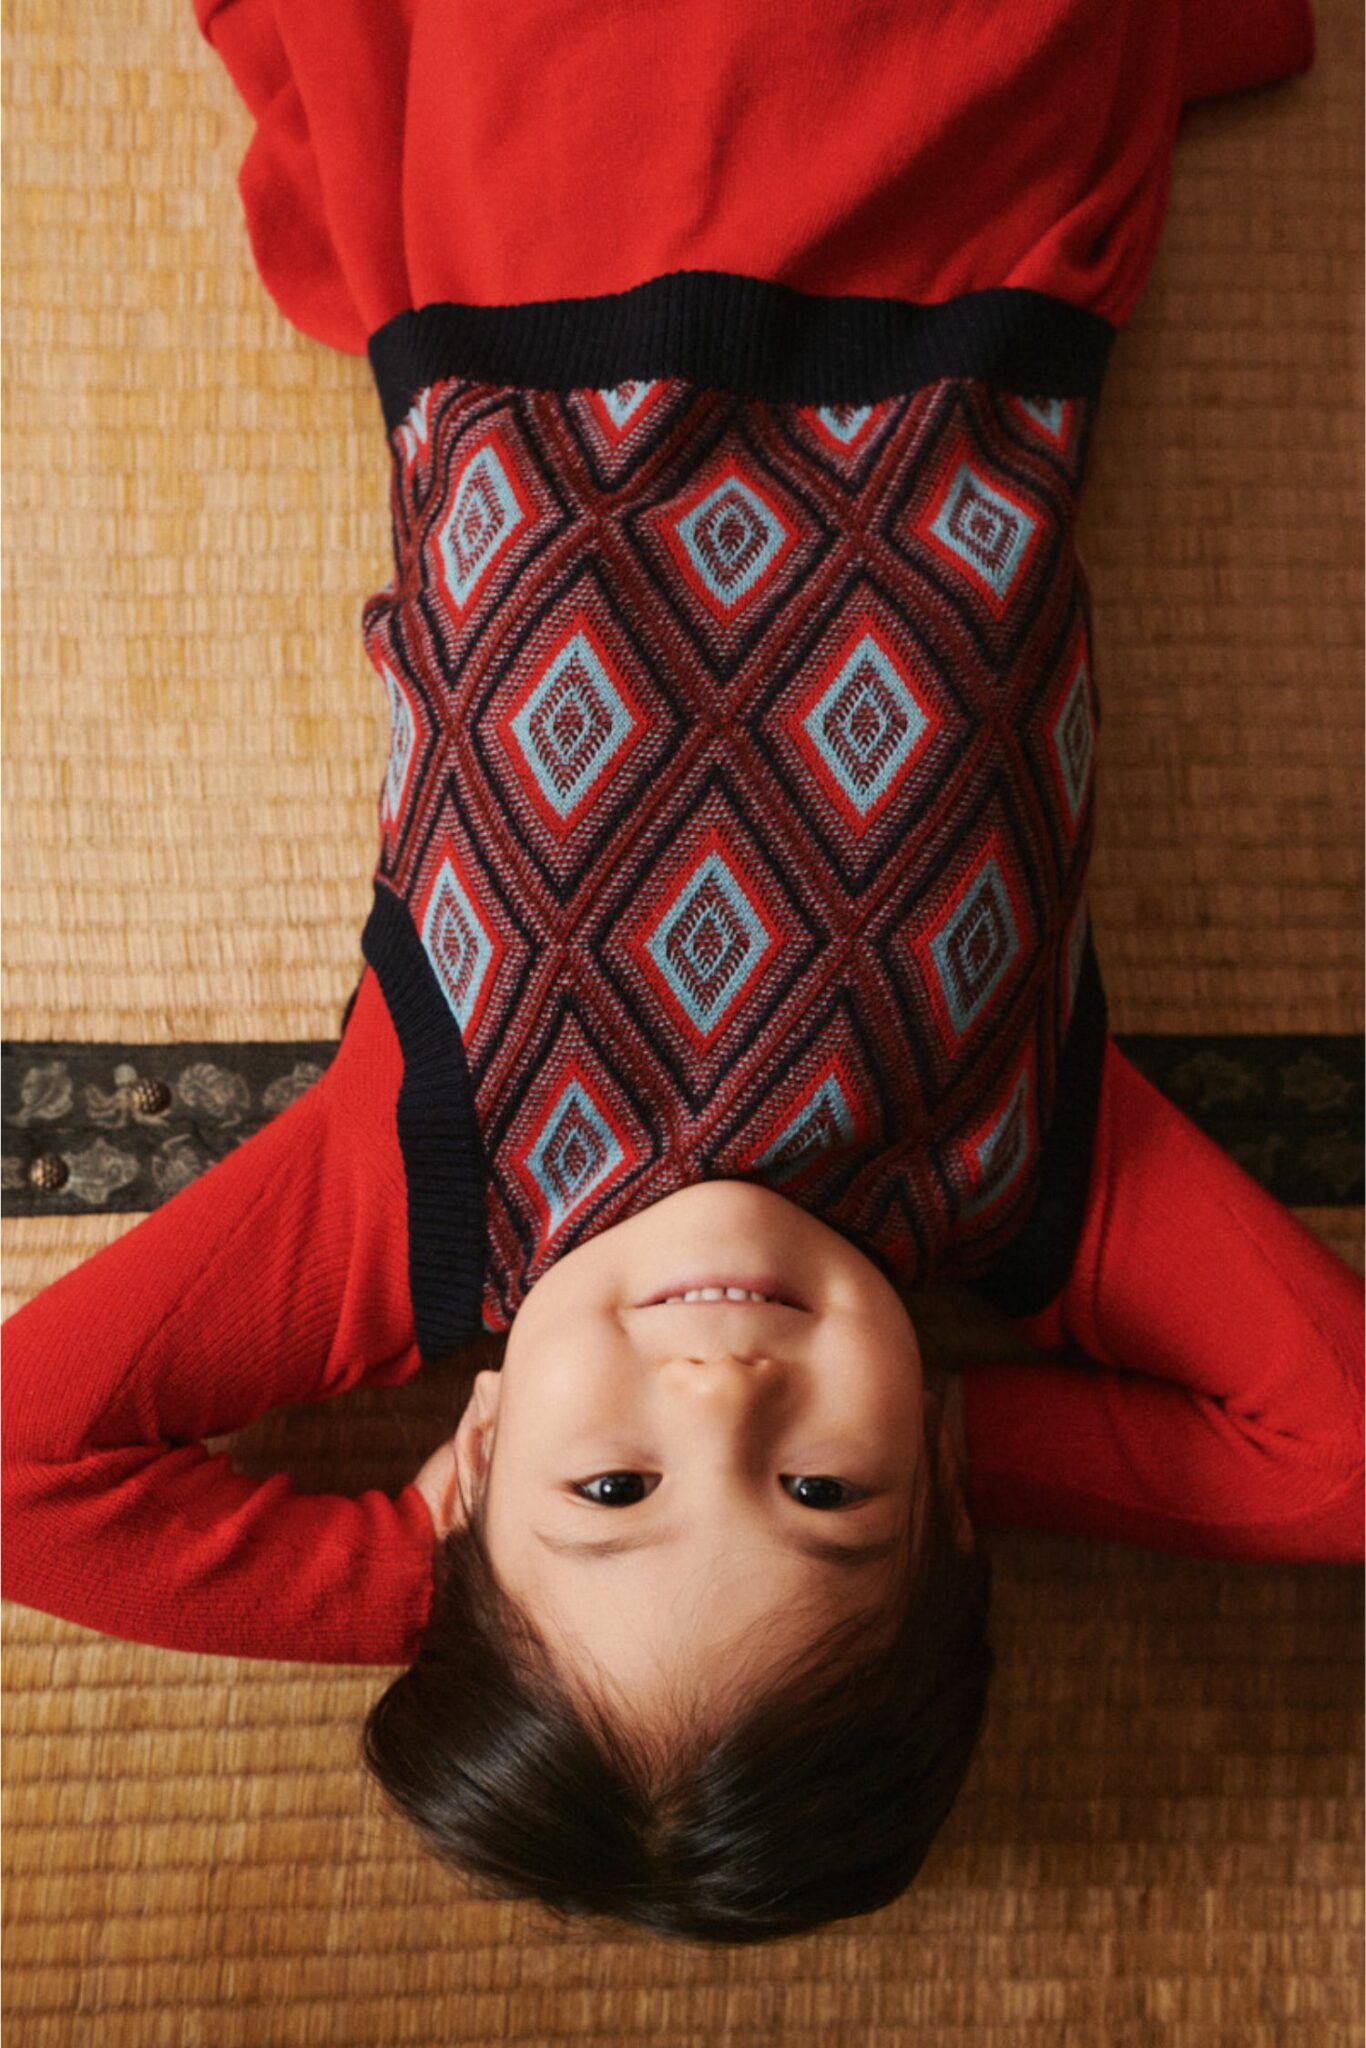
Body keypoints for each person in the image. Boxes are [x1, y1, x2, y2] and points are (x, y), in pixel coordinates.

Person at [3, 0, 1360, 1947]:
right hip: (956, 254)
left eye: (613, 1492)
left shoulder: (420, 1197)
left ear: (479, 1450)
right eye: (823, 1498)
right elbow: (1339, 1461)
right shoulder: (1021, 1186)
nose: (725, 1394)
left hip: (551, 238)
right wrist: (965, 1433)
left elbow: (21, 1469)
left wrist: (431, 1580)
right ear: (942, 1492)